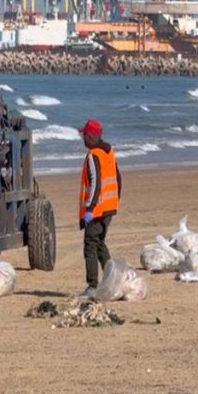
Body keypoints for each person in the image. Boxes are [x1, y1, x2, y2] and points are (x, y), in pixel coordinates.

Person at [77, 118, 122, 298]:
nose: (83, 139)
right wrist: (116, 201)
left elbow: (95, 183)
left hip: (97, 210)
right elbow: (118, 178)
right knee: (100, 243)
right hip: (109, 208)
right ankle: (113, 278)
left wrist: (90, 209)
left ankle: (92, 286)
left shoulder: (93, 155)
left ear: (91, 136)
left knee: (90, 244)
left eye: (85, 135)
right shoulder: (109, 152)